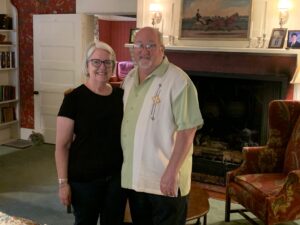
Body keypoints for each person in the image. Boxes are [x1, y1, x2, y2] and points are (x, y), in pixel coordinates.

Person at [121, 27, 204, 225]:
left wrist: (172, 171)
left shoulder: (178, 81)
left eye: (151, 45)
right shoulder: (130, 79)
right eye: (139, 45)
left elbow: (187, 130)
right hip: (136, 179)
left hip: (165, 181)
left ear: (162, 49)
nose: (144, 50)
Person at [55, 41, 125, 225]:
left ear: (113, 66)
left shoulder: (121, 97)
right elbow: (62, 146)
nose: (102, 67)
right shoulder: (73, 99)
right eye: (96, 62)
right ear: (87, 66)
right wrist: (63, 183)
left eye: (107, 62)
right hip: (84, 180)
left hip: (116, 179)